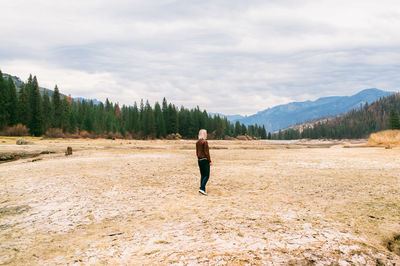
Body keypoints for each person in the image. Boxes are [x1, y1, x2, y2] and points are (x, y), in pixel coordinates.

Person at [196, 129, 212, 195]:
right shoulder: (205, 142)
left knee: (202, 175)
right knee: (207, 175)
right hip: (205, 160)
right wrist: (209, 161)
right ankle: (202, 188)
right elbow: (207, 153)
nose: (207, 134)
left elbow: (197, 152)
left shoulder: (197, 142)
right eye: (206, 133)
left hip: (199, 160)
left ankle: (203, 190)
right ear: (203, 134)